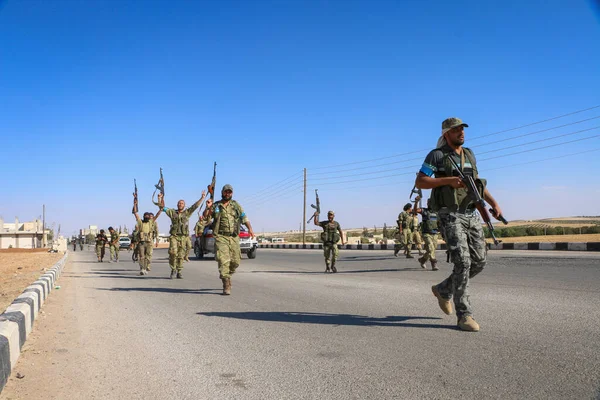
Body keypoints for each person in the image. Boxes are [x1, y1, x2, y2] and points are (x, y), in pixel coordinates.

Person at [416, 117, 503, 332]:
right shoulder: (436, 155)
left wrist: (494, 203)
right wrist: (446, 181)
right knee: (463, 262)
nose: (461, 133)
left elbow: (477, 183)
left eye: (462, 129)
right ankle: (464, 315)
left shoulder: (469, 154)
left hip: (471, 213)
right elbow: (420, 181)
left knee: (480, 261)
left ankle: (444, 289)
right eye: (456, 130)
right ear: (446, 134)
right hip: (449, 215)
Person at [203, 184, 254, 295]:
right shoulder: (216, 205)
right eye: (226, 192)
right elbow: (206, 217)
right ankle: (226, 282)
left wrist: (250, 229)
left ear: (232, 193)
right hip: (221, 237)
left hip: (234, 237)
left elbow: (244, 217)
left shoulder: (236, 205)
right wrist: (208, 207)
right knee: (223, 260)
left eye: (229, 192)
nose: (228, 194)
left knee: (236, 261)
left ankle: (227, 275)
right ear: (222, 192)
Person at [163, 191, 207, 279]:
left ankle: (179, 271)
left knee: (180, 255)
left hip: (183, 236)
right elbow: (162, 207)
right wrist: (160, 198)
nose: (180, 204)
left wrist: (202, 198)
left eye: (182, 203)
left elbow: (195, 206)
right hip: (174, 236)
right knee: (173, 252)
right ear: (177, 204)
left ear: (184, 205)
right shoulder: (172, 212)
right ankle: (173, 269)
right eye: (179, 203)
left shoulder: (187, 212)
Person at [132, 203, 163, 275]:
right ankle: (142, 268)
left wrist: (160, 210)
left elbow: (157, 216)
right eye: (145, 216)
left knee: (148, 257)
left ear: (149, 217)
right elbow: (135, 214)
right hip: (141, 242)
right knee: (142, 256)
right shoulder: (140, 222)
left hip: (149, 242)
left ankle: (145, 268)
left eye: (148, 216)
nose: (147, 217)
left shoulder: (151, 222)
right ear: (143, 216)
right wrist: (135, 203)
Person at [415, 197, 440, 271]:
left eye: (431, 203)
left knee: (431, 250)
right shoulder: (424, 211)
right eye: (429, 202)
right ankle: (434, 263)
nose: (430, 204)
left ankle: (422, 260)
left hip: (435, 233)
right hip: (426, 233)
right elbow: (415, 211)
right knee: (430, 248)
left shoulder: (437, 212)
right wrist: (416, 202)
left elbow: (439, 223)